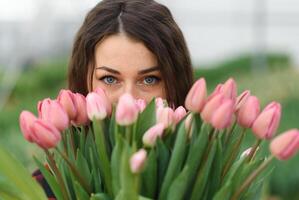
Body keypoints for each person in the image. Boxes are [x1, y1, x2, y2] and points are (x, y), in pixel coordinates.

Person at [33, 0, 194, 198]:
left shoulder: (204, 176)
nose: (128, 98)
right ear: (84, 81)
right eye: (109, 79)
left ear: (175, 82)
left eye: (149, 79)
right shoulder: (47, 188)